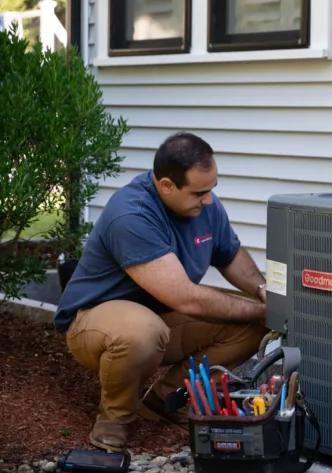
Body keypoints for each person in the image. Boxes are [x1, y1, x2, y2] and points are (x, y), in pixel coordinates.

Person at [54, 132, 269, 452]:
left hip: (159, 315)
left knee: (251, 325)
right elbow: (186, 297)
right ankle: (115, 419)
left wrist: (264, 293)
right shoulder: (132, 214)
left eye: (212, 189)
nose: (208, 200)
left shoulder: (204, 204)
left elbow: (231, 257)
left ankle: (166, 399)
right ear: (166, 185)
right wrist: (268, 310)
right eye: (199, 192)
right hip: (94, 322)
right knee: (142, 329)